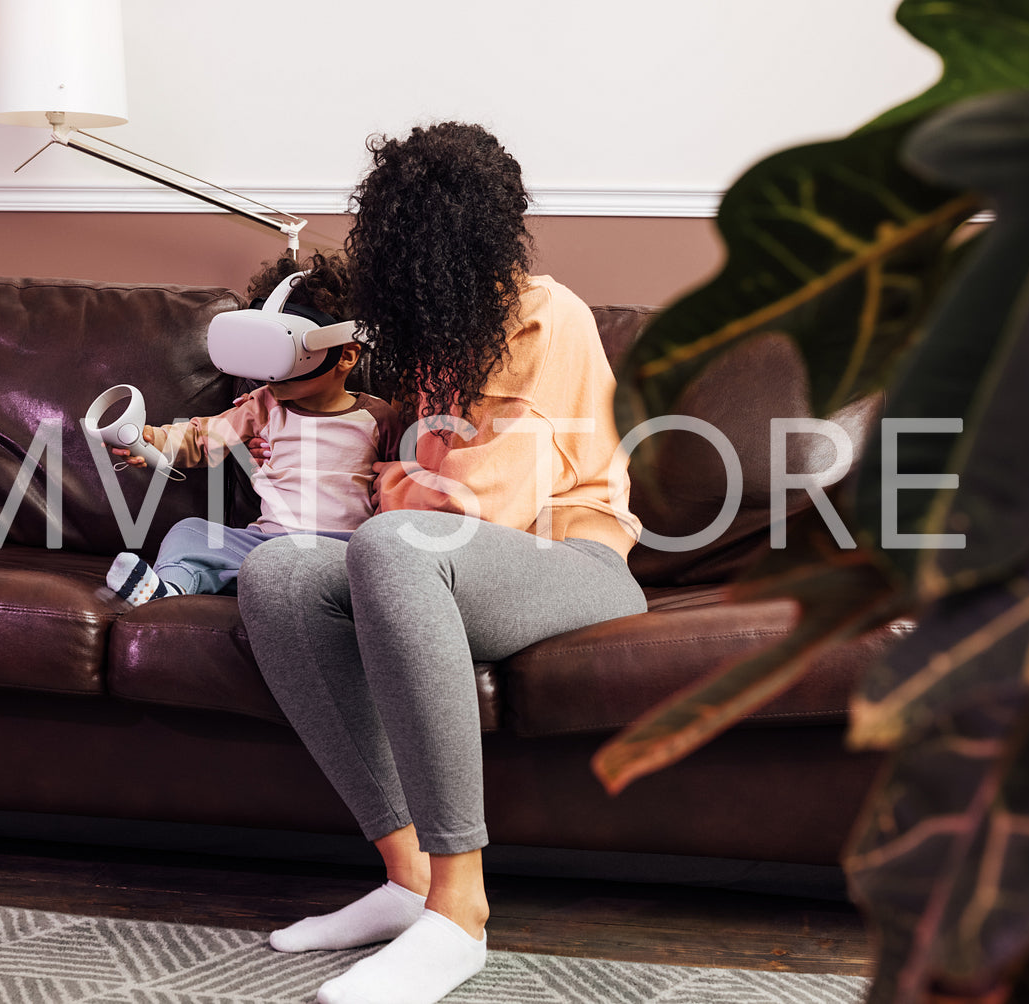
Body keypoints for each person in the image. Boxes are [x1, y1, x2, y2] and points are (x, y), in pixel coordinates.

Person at [236, 123, 649, 1004]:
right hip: (462, 566)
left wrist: (408, 490)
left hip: (574, 565)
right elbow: (422, 491)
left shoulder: (548, 316)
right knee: (275, 573)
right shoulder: (437, 341)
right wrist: (407, 484)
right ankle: (406, 878)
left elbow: (480, 506)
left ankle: (460, 913)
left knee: (394, 541)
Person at [105, 252, 401, 605]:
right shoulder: (263, 405)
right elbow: (203, 438)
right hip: (268, 545)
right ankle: (167, 591)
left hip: (343, 549)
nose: (269, 373)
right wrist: (154, 441)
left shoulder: (378, 417)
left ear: (347, 355)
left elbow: (400, 480)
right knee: (188, 533)